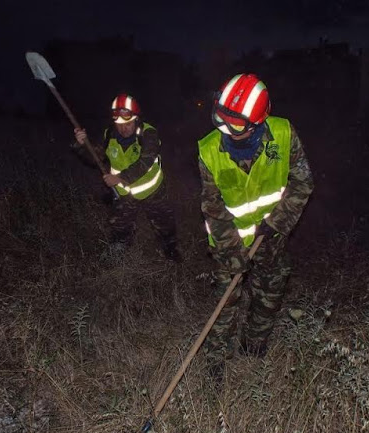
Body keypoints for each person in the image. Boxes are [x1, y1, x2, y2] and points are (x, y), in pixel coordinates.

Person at [198, 73, 314, 380]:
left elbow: (302, 184)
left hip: (271, 238)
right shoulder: (209, 150)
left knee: (269, 295)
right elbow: (212, 205)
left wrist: (276, 223)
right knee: (225, 302)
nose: (224, 129)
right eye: (219, 119)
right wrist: (231, 249)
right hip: (228, 241)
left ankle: (254, 347)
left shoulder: (284, 135)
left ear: (258, 121)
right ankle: (216, 364)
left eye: (234, 125)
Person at [73, 93, 181, 262]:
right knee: (119, 225)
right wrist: (82, 146)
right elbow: (96, 158)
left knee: (164, 223)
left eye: (128, 123)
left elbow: (145, 162)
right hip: (124, 194)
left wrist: (120, 178)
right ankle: (118, 249)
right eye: (119, 124)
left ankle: (171, 250)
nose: (123, 129)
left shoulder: (148, 133)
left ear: (136, 119)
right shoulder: (109, 135)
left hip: (152, 191)